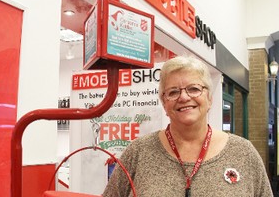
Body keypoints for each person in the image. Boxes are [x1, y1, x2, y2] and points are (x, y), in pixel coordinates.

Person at [102, 56, 273, 197]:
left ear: (210, 99)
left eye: (194, 89)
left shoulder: (243, 152)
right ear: (164, 104)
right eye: (173, 92)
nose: (183, 97)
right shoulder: (139, 151)